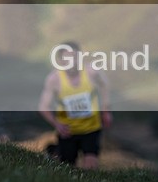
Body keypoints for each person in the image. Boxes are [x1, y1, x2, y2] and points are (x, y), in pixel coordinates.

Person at [38, 41, 112, 169]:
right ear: (60, 60)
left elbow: (105, 85)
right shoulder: (54, 79)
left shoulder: (91, 72)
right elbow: (43, 107)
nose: (72, 61)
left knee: (91, 166)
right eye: (67, 58)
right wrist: (57, 124)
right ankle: (55, 151)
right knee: (67, 168)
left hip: (91, 128)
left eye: (75, 57)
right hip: (68, 131)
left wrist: (106, 111)